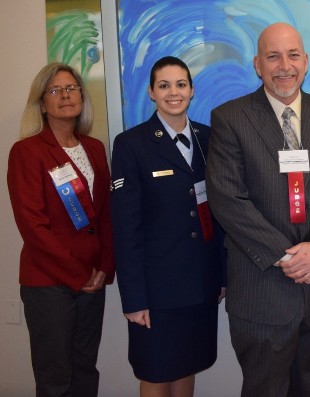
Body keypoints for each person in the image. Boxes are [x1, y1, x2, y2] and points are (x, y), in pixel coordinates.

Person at [205, 22, 310, 396]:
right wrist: (286, 257)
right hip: (262, 292)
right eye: (273, 56)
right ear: (257, 64)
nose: (284, 66)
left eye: (292, 55)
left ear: (306, 61)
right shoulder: (230, 118)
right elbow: (228, 199)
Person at [110, 56, 226, 397]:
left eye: (180, 84)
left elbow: (219, 214)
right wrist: (133, 298)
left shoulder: (210, 139)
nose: (173, 93)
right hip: (157, 291)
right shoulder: (132, 145)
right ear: (151, 92)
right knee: (156, 372)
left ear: (191, 90)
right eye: (164, 85)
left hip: (201, 284)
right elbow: (125, 228)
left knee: (187, 365)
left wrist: (221, 276)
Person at [7, 63, 114, 397]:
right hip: (49, 282)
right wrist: (77, 271)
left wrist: (105, 268)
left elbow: (106, 215)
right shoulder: (27, 152)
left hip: (92, 281)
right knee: (55, 379)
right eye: (55, 90)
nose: (65, 96)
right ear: (41, 103)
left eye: (72, 88)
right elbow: (32, 224)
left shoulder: (94, 148)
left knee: (85, 371)